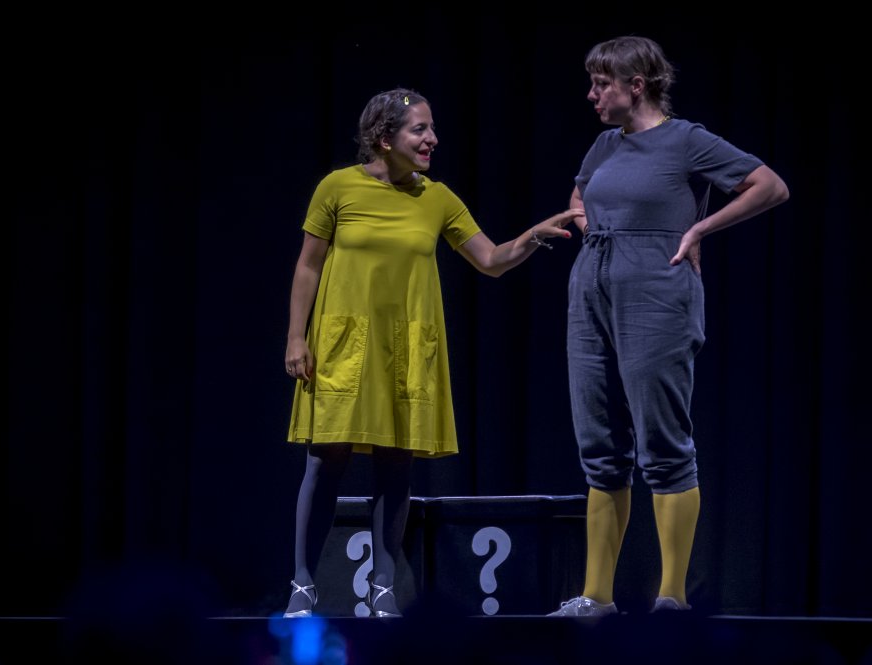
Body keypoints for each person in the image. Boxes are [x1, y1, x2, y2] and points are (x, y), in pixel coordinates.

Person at [281, 88, 579, 618]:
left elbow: (490, 259)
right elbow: (309, 264)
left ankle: (382, 587)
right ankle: (302, 586)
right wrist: (295, 337)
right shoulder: (338, 187)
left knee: (396, 464)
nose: (432, 139)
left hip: (405, 348)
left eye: (432, 128)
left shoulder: (437, 198)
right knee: (326, 459)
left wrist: (533, 235)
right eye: (419, 129)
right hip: (343, 343)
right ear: (383, 138)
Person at [549, 36, 789, 617]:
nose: (592, 95)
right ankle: (596, 597)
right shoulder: (605, 143)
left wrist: (699, 229)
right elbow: (580, 194)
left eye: (601, 84)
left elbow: (769, 185)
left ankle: (672, 598)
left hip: (656, 293)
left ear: (636, 86)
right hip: (592, 289)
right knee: (599, 443)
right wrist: (590, 225)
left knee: (662, 442)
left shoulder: (687, 140)